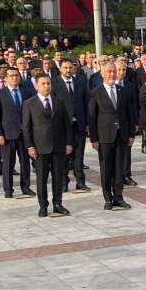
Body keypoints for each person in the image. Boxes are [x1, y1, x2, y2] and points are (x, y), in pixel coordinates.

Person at [22, 71, 72, 217]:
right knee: (41, 179)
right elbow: (26, 127)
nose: (46, 86)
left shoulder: (59, 102)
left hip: (58, 146)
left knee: (58, 177)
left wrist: (68, 143)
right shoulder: (29, 104)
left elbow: (67, 125)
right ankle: (43, 205)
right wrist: (30, 146)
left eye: (48, 83)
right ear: (37, 86)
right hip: (40, 147)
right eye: (43, 84)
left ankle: (58, 203)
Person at [87, 61, 135, 210]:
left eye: (114, 71)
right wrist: (94, 138)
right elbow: (92, 117)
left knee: (119, 168)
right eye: (109, 72)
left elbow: (129, 114)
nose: (112, 74)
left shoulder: (123, 91)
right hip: (104, 137)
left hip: (121, 135)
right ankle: (108, 198)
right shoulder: (95, 92)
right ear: (102, 73)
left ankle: (119, 197)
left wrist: (131, 134)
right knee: (107, 168)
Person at [0, 67, 33, 198]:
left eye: (16, 75)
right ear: (6, 78)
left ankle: (25, 187)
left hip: (24, 133)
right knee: (8, 162)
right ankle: (8, 190)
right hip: (7, 134)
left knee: (25, 162)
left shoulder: (26, 92)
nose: (14, 78)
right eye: (11, 76)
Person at [54, 57, 90, 192]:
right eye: (65, 68)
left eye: (70, 67)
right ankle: (63, 182)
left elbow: (87, 103)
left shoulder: (80, 81)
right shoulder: (54, 83)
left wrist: (87, 123)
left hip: (79, 125)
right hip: (63, 127)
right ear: (60, 68)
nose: (68, 70)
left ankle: (80, 181)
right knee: (64, 155)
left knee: (79, 155)